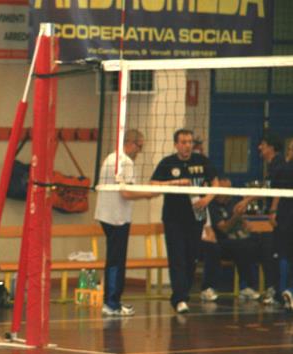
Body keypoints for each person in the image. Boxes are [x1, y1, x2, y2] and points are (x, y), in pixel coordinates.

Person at [151, 128, 219, 314]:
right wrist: (174, 183)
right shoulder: (167, 163)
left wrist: (207, 199)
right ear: (176, 144)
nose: (187, 145)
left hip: (196, 219)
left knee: (191, 258)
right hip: (173, 219)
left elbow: (216, 183)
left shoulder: (201, 161)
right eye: (183, 142)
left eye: (190, 142)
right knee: (177, 258)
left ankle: (184, 293)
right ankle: (179, 299)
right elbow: (153, 184)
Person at [94, 129, 157, 316]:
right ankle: (111, 303)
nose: (139, 151)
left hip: (107, 215)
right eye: (139, 146)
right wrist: (149, 194)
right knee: (116, 260)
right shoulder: (125, 162)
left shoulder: (111, 158)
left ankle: (113, 301)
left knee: (114, 259)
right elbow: (127, 193)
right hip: (117, 218)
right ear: (130, 142)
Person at [199, 178, 260, 301]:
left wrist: (244, 221)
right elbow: (224, 228)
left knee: (246, 246)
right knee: (214, 250)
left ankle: (246, 287)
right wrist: (236, 216)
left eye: (229, 190)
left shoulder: (232, 202)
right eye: (224, 191)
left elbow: (258, 194)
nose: (227, 194)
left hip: (232, 243)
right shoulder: (211, 205)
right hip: (215, 242)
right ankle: (208, 288)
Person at [262, 132, 293, 310]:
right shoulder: (285, 168)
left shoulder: (284, 168)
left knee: (283, 253)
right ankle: (285, 291)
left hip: (285, 216)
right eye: (289, 149)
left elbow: (277, 193)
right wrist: (273, 211)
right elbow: (278, 191)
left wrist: (273, 211)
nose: (289, 152)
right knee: (283, 253)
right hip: (286, 216)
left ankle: (283, 291)